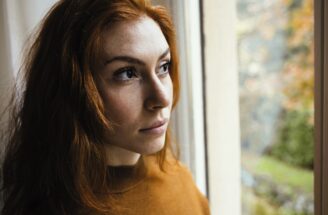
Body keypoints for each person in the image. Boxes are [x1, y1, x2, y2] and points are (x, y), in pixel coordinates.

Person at [0, 0, 210, 214]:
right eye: (127, 73)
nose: (161, 98)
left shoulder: (179, 180)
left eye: (163, 67)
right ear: (73, 89)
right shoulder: (53, 208)